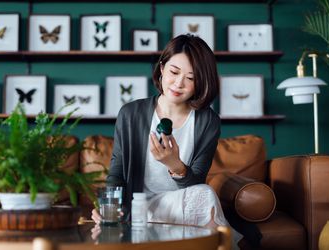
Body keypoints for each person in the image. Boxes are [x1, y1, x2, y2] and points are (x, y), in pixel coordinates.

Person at [91, 34, 242, 247]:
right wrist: (109, 206)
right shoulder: (130, 113)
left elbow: (196, 183)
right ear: (162, 68)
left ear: (201, 83)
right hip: (140, 207)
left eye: (191, 78)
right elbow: (116, 172)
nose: (179, 83)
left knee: (205, 193)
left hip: (184, 203)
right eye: (174, 72)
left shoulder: (207, 121)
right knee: (205, 196)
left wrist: (175, 165)